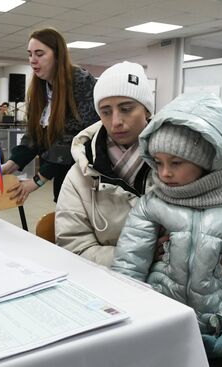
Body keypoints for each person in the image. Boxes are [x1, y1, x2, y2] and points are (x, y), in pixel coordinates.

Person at [111, 92, 222, 367]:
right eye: (158, 163)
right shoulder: (152, 204)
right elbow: (129, 261)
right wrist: (125, 309)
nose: (164, 174)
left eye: (176, 163)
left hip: (218, 332)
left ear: (209, 160)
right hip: (160, 325)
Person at [55, 61, 154, 267]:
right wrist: (142, 257)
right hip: (109, 285)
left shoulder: (184, 163)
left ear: (147, 111)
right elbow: (74, 247)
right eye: (106, 111)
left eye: (126, 109)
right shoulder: (79, 175)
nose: (116, 121)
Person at [2, 28, 99, 203]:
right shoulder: (41, 88)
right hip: (63, 176)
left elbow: (73, 139)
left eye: (39, 54)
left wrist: (37, 180)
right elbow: (35, 134)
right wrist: (11, 164)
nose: (32, 60)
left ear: (57, 55)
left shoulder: (80, 81)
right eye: (30, 54)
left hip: (86, 176)